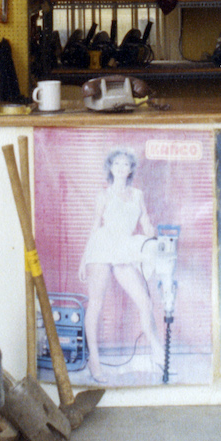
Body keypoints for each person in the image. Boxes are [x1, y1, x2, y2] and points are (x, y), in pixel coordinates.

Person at [79, 148, 164, 381]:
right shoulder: (103, 194)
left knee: (145, 302)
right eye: (116, 163)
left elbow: (145, 221)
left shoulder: (137, 194)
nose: (121, 167)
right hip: (102, 247)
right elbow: (96, 225)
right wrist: (83, 259)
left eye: (125, 164)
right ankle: (94, 361)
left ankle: (159, 354)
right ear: (110, 167)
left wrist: (153, 237)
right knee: (96, 304)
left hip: (125, 247)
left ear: (130, 169)